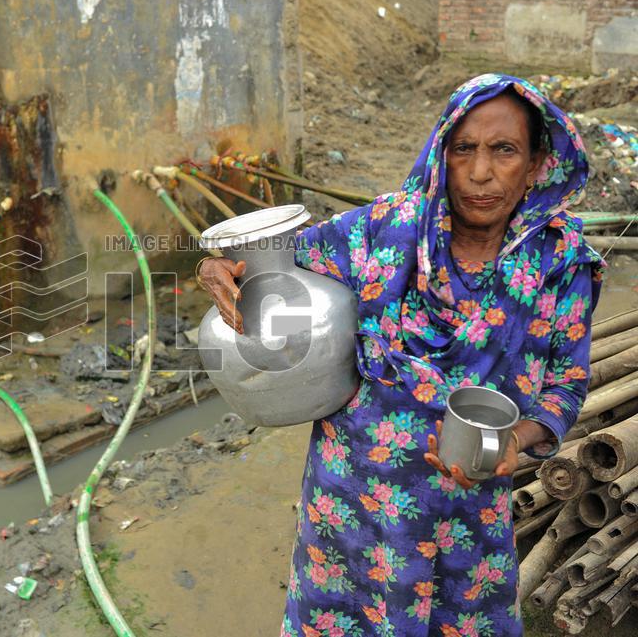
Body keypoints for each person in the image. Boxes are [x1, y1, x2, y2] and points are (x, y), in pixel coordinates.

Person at [196, 74, 603, 636]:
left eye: (504, 150)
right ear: (442, 155)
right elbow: (270, 270)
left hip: (470, 511)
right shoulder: (379, 233)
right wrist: (215, 266)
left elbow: (566, 382)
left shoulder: (562, 264)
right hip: (353, 508)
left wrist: (518, 439)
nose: (481, 173)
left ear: (536, 163)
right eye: (464, 149)